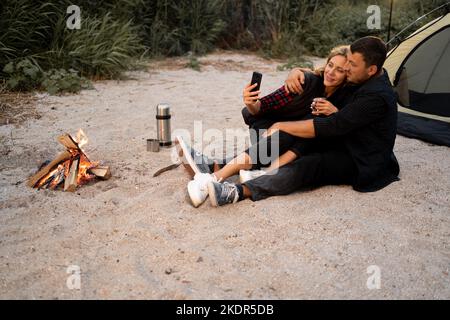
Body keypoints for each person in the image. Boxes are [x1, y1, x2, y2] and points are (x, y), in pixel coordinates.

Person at [202, 36, 400, 207]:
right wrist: (296, 71)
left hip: (360, 158)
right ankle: (218, 168)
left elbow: (334, 125)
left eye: (352, 65)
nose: (347, 68)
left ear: (372, 69)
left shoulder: (375, 96)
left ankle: (238, 191)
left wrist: (282, 125)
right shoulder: (360, 77)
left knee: (309, 165)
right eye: (347, 62)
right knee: (291, 135)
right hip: (341, 139)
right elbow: (326, 73)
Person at [179, 45, 356, 207]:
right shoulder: (305, 81)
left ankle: (214, 169)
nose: (331, 72)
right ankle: (216, 176)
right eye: (330, 65)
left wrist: (333, 113)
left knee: (298, 133)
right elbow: (262, 106)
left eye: (339, 70)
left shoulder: (342, 100)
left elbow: (313, 137)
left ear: (347, 75)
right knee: (286, 135)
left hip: (297, 149)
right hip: (266, 133)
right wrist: (250, 102)